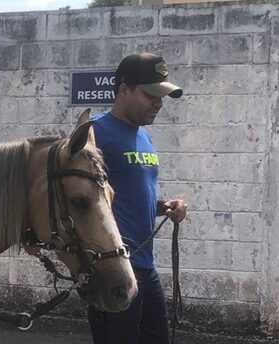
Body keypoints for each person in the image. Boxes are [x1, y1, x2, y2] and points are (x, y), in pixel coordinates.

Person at [86, 53, 189, 344]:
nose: (158, 103)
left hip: (145, 266)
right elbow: (79, 199)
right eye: (151, 95)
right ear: (123, 91)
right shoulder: (94, 133)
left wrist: (164, 207)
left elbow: (129, 196)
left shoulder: (143, 136)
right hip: (113, 271)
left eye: (162, 96)